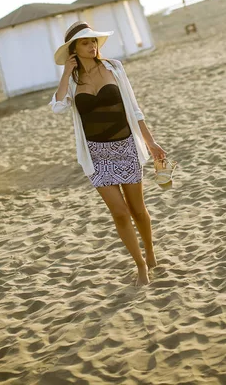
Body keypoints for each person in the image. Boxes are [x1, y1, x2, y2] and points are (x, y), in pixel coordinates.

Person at [50, 21, 166, 286]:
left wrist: (151, 143)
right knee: (119, 213)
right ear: (73, 49)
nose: (92, 46)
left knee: (137, 209)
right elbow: (57, 108)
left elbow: (135, 110)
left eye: (94, 42)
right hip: (96, 155)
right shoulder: (71, 80)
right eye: (85, 43)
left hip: (125, 147)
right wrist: (66, 74)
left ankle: (149, 251)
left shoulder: (114, 67)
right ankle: (140, 266)